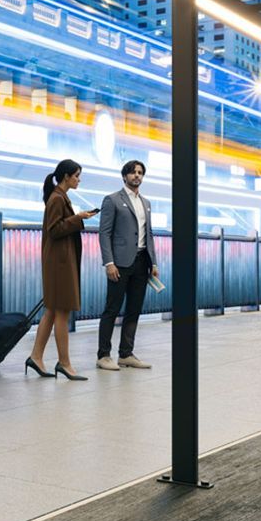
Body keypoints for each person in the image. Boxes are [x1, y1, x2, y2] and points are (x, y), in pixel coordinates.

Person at [30, 159, 97, 381]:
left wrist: (77, 217)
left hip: (57, 262)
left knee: (52, 311)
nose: (79, 180)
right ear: (66, 176)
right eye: (76, 175)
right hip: (59, 263)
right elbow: (55, 229)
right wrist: (77, 218)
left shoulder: (59, 196)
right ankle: (64, 363)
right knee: (62, 311)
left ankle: (36, 357)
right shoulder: (57, 198)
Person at [95, 160, 157, 371]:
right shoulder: (112, 200)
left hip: (141, 262)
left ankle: (126, 354)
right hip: (119, 264)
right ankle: (103, 355)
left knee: (134, 310)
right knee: (112, 309)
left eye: (140, 173)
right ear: (124, 176)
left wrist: (153, 262)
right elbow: (104, 233)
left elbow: (149, 234)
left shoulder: (146, 203)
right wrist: (109, 262)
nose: (136, 176)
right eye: (132, 172)